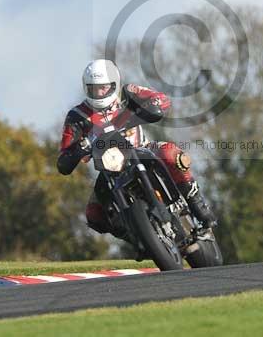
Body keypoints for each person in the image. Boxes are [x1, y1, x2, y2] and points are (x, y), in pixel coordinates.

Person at [57, 59, 217, 240]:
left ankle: (199, 207)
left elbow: (162, 100)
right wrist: (80, 147)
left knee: (171, 154)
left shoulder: (128, 93)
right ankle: (136, 238)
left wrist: (149, 109)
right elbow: (63, 161)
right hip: (110, 168)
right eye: (94, 88)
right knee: (94, 215)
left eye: (103, 87)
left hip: (142, 149)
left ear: (114, 85)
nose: (99, 92)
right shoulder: (76, 116)